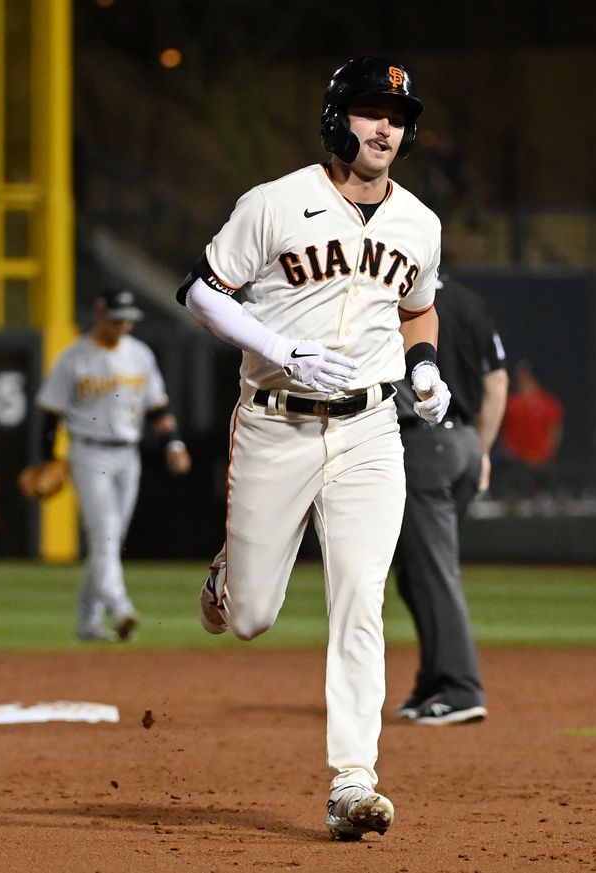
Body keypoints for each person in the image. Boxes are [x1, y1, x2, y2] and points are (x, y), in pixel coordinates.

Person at [176, 57, 448, 841]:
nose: (385, 127)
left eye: (397, 115)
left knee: (361, 594)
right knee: (254, 615)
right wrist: (281, 348)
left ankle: (353, 781)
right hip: (275, 421)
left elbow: (419, 312)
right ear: (338, 118)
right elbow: (199, 289)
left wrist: (424, 369)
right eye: (370, 110)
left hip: (369, 430)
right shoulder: (276, 203)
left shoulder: (419, 223)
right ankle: (231, 575)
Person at [34, 288, 192, 642]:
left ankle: (87, 623)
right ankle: (120, 609)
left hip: (128, 454)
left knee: (111, 538)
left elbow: (158, 408)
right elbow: (50, 414)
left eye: (128, 319)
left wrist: (174, 443)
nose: (123, 324)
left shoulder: (139, 354)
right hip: (89, 452)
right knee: (105, 532)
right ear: (99, 313)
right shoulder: (74, 357)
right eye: (117, 317)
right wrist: (47, 460)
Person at [392, 275, 507, 726]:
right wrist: (482, 450)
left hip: (421, 447)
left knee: (433, 570)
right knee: (414, 571)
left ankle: (461, 688)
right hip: (461, 446)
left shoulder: (390, 291)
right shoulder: (469, 300)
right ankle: (434, 683)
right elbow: (496, 382)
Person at [495, 360, 564, 508]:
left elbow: (555, 431)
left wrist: (546, 455)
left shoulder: (548, 403)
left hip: (540, 464)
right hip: (515, 465)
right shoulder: (511, 402)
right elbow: (503, 431)